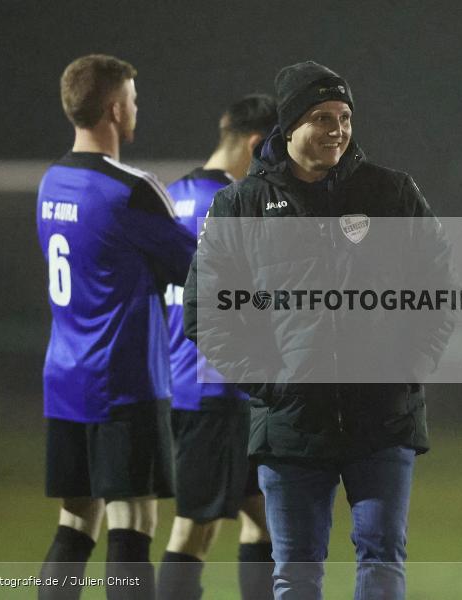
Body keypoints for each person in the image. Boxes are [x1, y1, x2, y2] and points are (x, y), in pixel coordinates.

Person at [184, 61, 455, 600]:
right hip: (290, 426)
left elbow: (437, 290)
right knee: (297, 573)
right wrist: (272, 385)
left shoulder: (392, 194)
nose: (337, 129)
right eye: (322, 117)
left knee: (381, 558)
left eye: (345, 116)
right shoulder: (241, 205)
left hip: (382, 420)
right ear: (288, 127)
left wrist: (409, 367)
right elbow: (206, 314)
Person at [36, 54, 196, 600]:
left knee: (77, 522)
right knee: (133, 524)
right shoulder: (131, 189)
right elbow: (195, 268)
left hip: (64, 380)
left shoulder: (51, 183)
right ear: (112, 107)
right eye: (131, 97)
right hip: (124, 381)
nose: (136, 106)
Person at [156, 93, 278, 600]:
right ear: (256, 144)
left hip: (184, 379)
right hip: (216, 388)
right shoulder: (234, 203)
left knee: (268, 519)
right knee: (194, 529)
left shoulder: (171, 194)